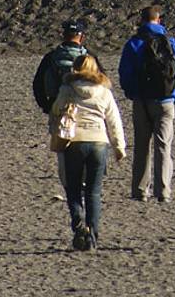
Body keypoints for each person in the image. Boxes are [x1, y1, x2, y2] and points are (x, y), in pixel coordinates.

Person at [48, 54, 126, 251]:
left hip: (74, 141)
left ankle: (78, 222)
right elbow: (114, 121)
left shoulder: (67, 89)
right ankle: (92, 235)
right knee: (94, 191)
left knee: (73, 188)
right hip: (99, 142)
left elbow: (56, 109)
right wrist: (119, 147)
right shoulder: (104, 92)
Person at [117, 6, 175, 203]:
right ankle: (163, 191)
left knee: (141, 146)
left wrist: (132, 93)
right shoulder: (171, 42)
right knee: (163, 146)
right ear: (159, 20)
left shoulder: (134, 43)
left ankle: (140, 190)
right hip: (165, 100)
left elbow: (125, 73)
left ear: (142, 20)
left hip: (141, 100)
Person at [34, 20, 93, 191]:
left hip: (58, 109)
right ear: (81, 37)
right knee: (83, 145)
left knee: (63, 149)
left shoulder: (51, 58)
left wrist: (46, 106)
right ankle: (83, 182)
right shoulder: (90, 58)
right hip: (84, 109)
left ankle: (69, 185)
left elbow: (38, 85)